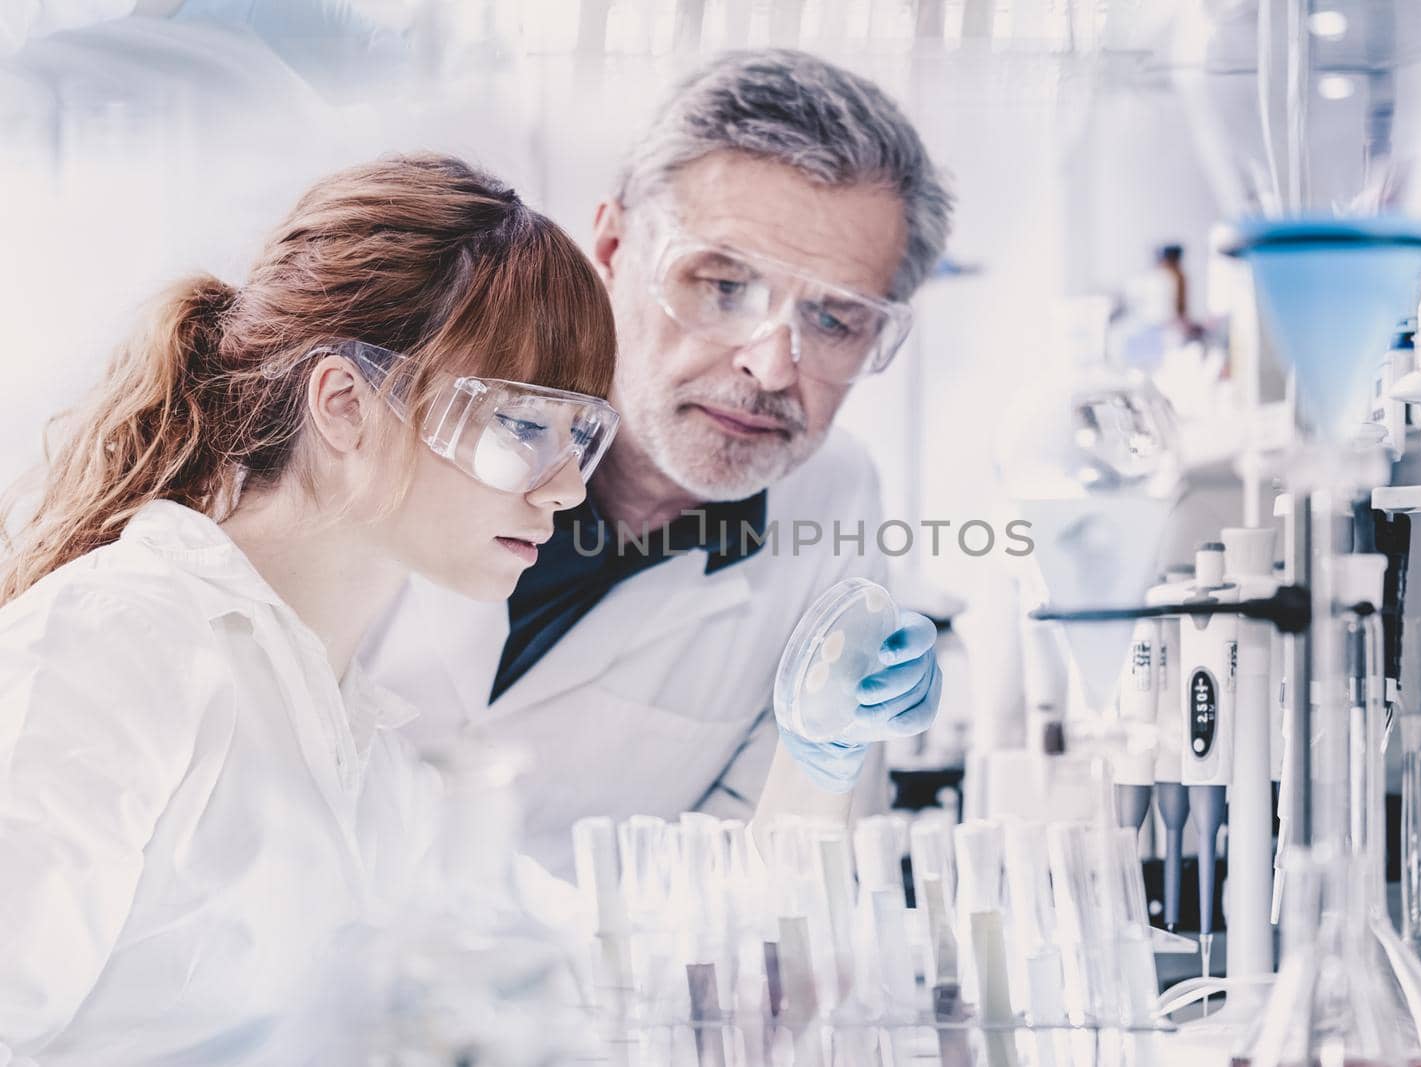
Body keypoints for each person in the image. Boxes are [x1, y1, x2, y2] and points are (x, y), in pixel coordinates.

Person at [0, 154, 619, 1063]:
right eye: (521, 425)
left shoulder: (374, 763)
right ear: (343, 403)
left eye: (582, 437)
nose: (565, 489)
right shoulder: (116, 644)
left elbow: (596, 966)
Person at [362, 49, 956, 877]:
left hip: (575, 990)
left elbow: (769, 878)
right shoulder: (421, 397)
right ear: (611, 244)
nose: (774, 367)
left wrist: (824, 763)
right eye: (723, 284)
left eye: (833, 319)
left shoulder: (834, 494)